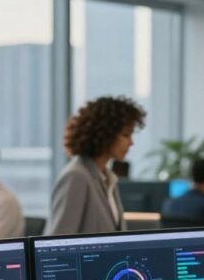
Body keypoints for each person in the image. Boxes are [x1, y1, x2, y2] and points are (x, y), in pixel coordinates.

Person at [46, 96, 145, 235]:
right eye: (125, 135)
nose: (131, 142)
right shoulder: (76, 176)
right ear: (105, 134)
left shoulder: (107, 177)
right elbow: (58, 240)